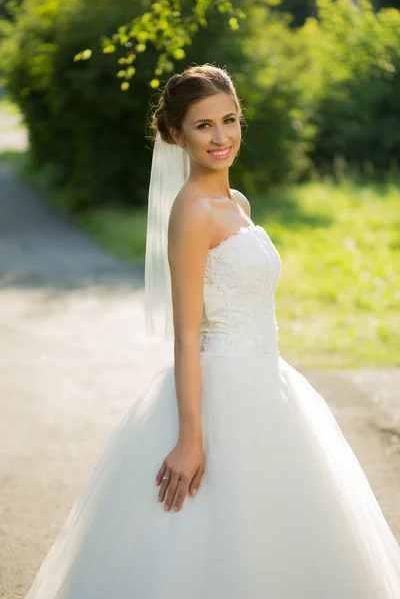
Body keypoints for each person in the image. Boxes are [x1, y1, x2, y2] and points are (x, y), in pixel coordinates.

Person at [25, 63, 400, 598]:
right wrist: (191, 439)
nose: (221, 136)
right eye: (203, 126)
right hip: (222, 389)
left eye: (230, 120)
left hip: (271, 384)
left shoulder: (238, 204)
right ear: (177, 134)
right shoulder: (191, 213)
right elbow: (185, 336)